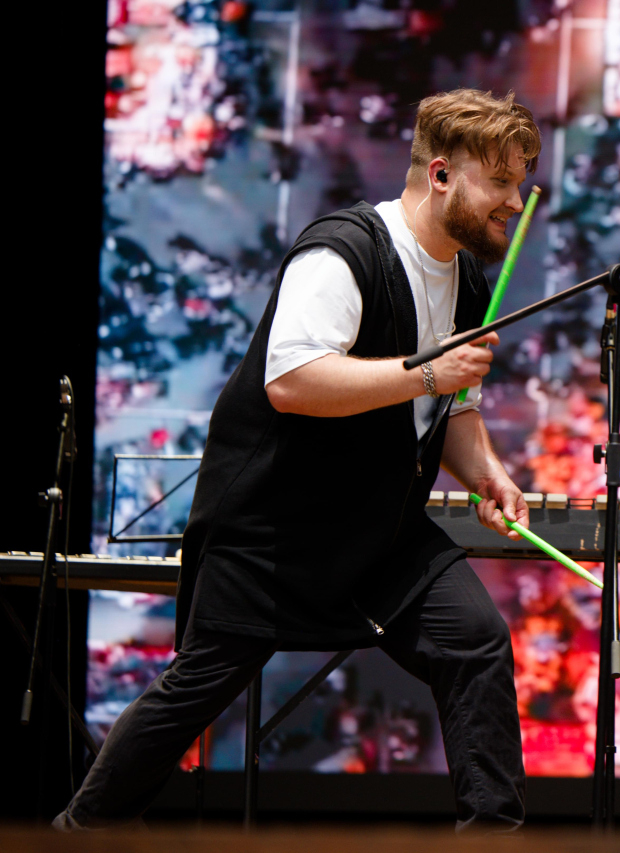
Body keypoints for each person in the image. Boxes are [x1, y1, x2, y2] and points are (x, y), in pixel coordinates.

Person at [57, 88, 540, 831]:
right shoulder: (341, 252)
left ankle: (494, 842)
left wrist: (489, 476)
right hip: (275, 528)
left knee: (474, 639)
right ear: (441, 174)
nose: (514, 201)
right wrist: (429, 375)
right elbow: (292, 382)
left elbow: (454, 410)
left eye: (519, 182)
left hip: (379, 529)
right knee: (195, 689)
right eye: (500, 181)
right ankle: (78, 835)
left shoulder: (467, 281)